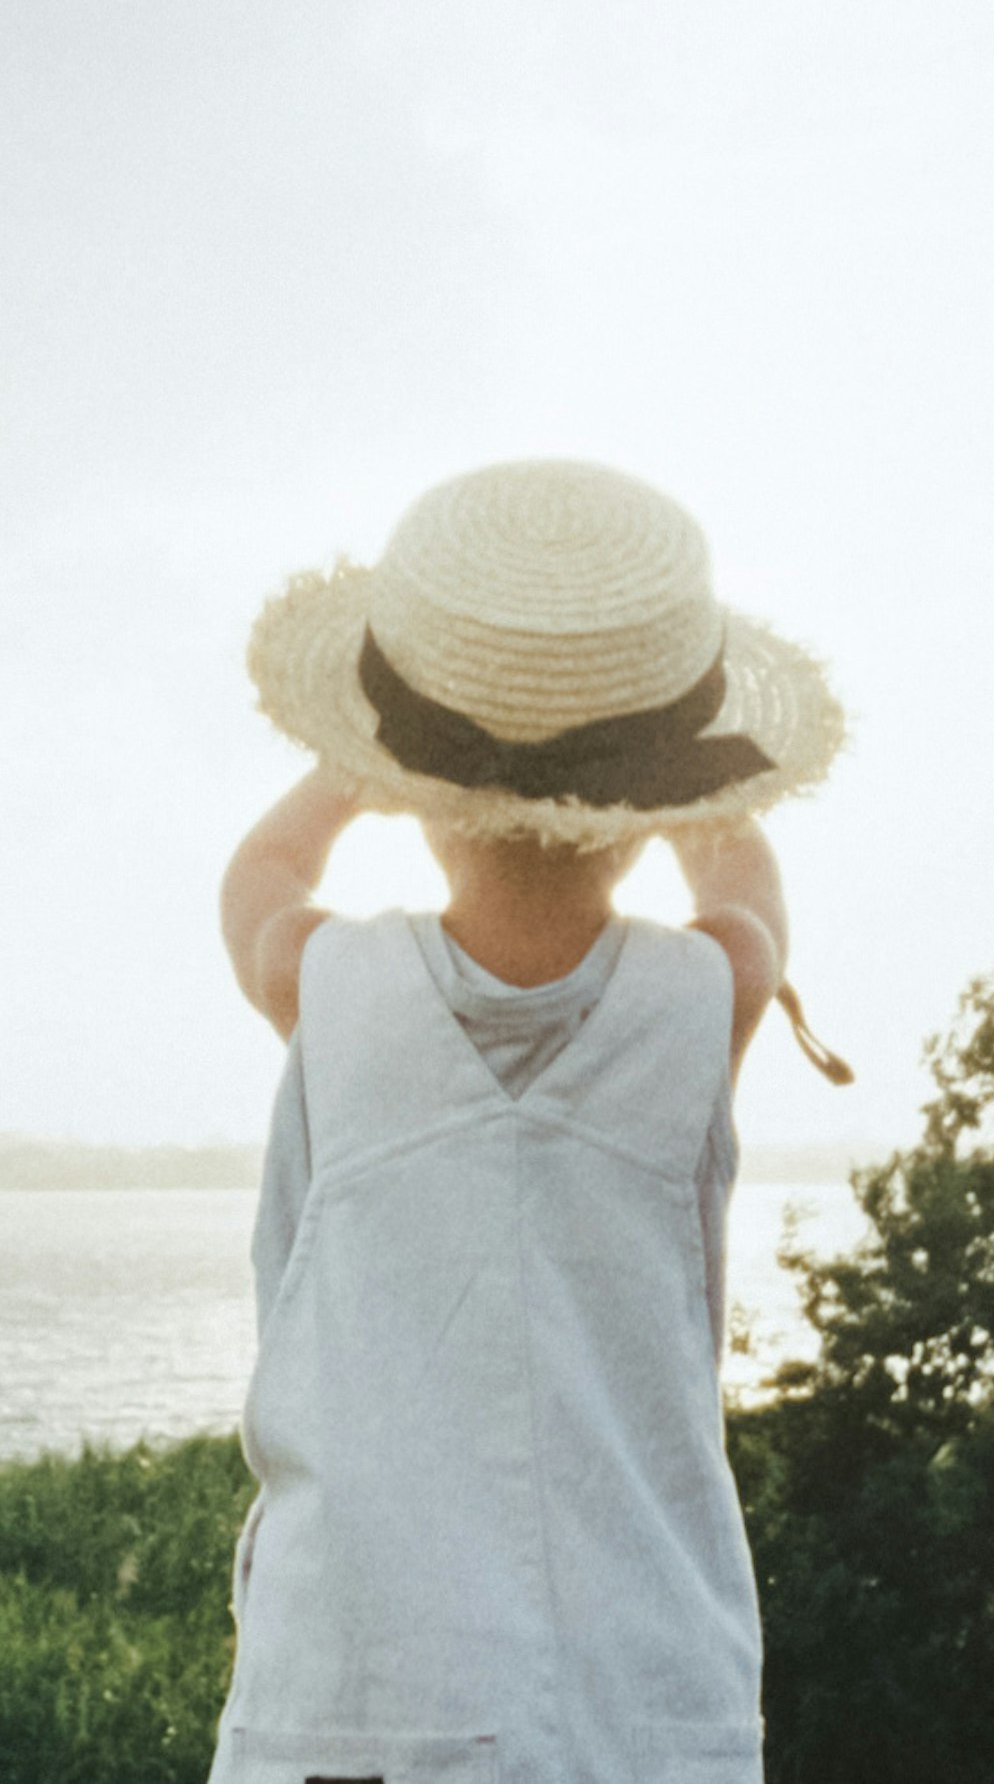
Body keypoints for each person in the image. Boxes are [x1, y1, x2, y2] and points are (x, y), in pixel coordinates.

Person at [210, 457, 849, 1784]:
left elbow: (259, 875)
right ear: (651, 815)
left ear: (417, 792)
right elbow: (745, 876)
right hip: (639, 1703)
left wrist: (358, 767)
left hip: (356, 1702)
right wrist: (688, 783)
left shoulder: (331, 990)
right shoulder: (707, 996)